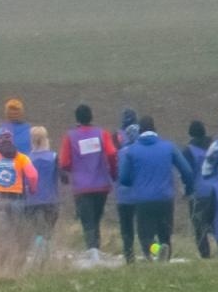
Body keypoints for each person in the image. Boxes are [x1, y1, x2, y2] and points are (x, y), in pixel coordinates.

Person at [117, 115, 194, 261]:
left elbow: (124, 179)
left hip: (143, 200)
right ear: (155, 129)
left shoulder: (132, 151)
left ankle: (157, 250)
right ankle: (164, 259)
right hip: (165, 198)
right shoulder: (169, 147)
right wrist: (188, 188)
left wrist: (137, 181)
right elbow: (187, 171)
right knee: (165, 236)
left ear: (140, 131)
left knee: (146, 238)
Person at [58, 104, 119, 261]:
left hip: (81, 187)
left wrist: (74, 169)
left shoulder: (70, 137)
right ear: (91, 116)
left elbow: (64, 162)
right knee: (96, 218)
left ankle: (93, 251)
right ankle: (96, 249)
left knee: (87, 221)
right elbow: (112, 153)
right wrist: (113, 172)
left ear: (77, 119)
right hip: (101, 185)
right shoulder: (102, 134)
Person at [26, 126, 61, 249]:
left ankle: (38, 247)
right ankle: (47, 249)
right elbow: (60, 176)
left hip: (31, 200)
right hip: (51, 198)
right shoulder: (54, 157)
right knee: (49, 229)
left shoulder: (27, 159)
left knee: (37, 230)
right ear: (46, 139)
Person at [114, 109, 141, 262]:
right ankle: (155, 250)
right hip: (141, 195)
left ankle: (129, 257)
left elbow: (116, 172)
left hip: (123, 196)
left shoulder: (121, 152)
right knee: (146, 230)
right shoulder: (142, 151)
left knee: (126, 230)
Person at [187, 120, 214, 258]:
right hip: (216, 191)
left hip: (198, 194)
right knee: (217, 224)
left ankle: (205, 255)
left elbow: (187, 173)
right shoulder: (214, 146)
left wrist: (187, 191)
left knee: (199, 228)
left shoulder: (189, 150)